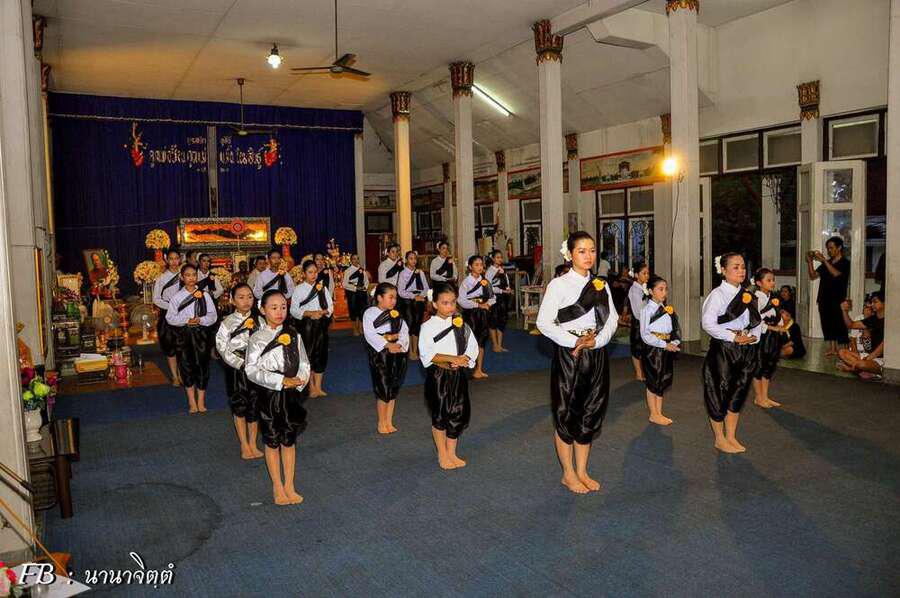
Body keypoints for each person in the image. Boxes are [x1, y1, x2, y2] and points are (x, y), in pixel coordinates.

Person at [536, 232, 618, 494]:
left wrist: (598, 341)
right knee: (566, 413)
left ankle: (582, 470)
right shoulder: (558, 285)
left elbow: (612, 320)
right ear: (570, 254)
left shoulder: (601, 285)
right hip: (570, 355)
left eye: (592, 250)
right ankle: (568, 473)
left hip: (595, 353)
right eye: (582, 251)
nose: (588, 256)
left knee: (591, 411)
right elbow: (543, 323)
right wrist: (574, 341)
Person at [245, 289, 310, 506]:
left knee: (289, 440)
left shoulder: (294, 335)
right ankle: (277, 486)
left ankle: (290, 484)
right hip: (269, 394)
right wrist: (280, 381)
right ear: (263, 310)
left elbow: (304, 362)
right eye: (274, 308)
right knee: (272, 440)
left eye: (283, 307)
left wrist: (300, 380)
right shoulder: (257, 338)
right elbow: (251, 370)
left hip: (290, 395)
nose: (279, 312)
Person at [701, 253, 762, 454]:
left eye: (743, 267)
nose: (741, 271)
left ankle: (731, 436)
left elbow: (756, 321)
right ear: (723, 270)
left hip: (745, 349)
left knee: (739, 392)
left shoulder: (747, 294)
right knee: (719, 392)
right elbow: (707, 324)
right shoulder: (717, 295)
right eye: (735, 267)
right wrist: (733, 337)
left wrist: (753, 336)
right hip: (724, 350)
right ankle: (719, 438)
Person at [418, 282, 479, 469]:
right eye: (445, 303)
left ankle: (452, 453)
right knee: (440, 415)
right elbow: (427, 354)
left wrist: (465, 359)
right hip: (439, 377)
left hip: (458, 375)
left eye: (453, 302)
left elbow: (472, 347)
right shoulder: (428, 326)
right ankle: (442, 454)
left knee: (457, 413)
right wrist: (453, 358)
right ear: (435, 304)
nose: (450, 306)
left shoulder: (460, 324)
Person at [215, 283, 263, 459]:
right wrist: (239, 363)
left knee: (255, 405)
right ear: (233, 300)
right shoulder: (227, 322)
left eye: (249, 297)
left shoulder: (260, 320)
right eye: (241, 297)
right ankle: (244, 444)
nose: (246, 301)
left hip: (255, 369)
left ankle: (253, 443)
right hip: (236, 370)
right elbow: (222, 347)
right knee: (239, 406)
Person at [166, 263, 218, 413]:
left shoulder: (204, 295)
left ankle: (201, 401)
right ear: (182, 278)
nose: (191, 278)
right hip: (184, 335)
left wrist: (201, 320)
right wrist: (186, 320)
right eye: (187, 275)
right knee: (186, 366)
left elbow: (213, 316)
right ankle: (191, 402)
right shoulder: (177, 297)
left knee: (202, 367)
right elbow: (170, 318)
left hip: (201, 335)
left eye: (194, 275)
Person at [362, 283, 409, 434]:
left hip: (397, 352)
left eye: (395, 298)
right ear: (379, 298)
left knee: (393, 386)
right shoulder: (370, 313)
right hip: (380, 355)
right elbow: (370, 334)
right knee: (383, 387)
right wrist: (387, 344)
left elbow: (404, 331)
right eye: (390, 297)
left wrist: (399, 343)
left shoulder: (395, 313)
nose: (394, 301)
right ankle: (381, 422)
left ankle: (389, 421)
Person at [639, 275, 680, 426]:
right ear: (651, 291)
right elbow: (645, 335)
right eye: (660, 289)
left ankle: (659, 412)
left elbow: (673, 329)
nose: (664, 292)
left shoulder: (666, 309)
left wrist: (674, 341)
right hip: (653, 350)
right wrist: (663, 344)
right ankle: (653, 413)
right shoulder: (646, 310)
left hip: (666, 348)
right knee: (653, 380)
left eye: (666, 289)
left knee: (662, 380)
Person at [290, 260, 334, 398]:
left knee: (321, 355)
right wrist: (310, 313)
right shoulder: (298, 289)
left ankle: (319, 387)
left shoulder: (322, 288)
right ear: (304, 273)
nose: (313, 275)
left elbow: (330, 306)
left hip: (321, 325)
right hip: (306, 327)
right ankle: (311, 387)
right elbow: (293, 310)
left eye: (315, 272)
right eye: (310, 272)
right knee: (308, 356)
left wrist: (323, 312)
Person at [806, 236, 850, 356]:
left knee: (840, 324)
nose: (829, 250)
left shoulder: (845, 262)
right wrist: (810, 262)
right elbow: (813, 275)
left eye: (831, 248)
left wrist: (824, 260)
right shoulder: (828, 262)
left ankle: (845, 350)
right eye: (828, 248)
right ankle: (832, 348)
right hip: (824, 298)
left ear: (839, 248)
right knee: (827, 323)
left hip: (838, 298)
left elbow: (836, 274)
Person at [752, 268, 788, 409]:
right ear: (759, 283)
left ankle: (765, 396)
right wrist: (773, 328)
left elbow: (777, 315)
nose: (772, 282)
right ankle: (758, 397)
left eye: (773, 280)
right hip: (761, 337)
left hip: (773, 337)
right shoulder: (756, 298)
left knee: (769, 366)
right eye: (768, 280)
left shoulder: (772, 297)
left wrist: (781, 326)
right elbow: (754, 321)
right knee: (759, 366)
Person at [457, 255, 495, 379]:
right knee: (469, 341)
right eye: (476, 265)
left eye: (481, 265)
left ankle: (479, 369)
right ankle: (467, 369)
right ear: (470, 267)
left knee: (482, 340)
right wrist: (478, 305)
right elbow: (461, 301)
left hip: (483, 314)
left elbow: (492, 297)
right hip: (471, 314)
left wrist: (488, 304)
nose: (480, 267)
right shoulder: (466, 282)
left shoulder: (485, 281)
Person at [152, 248, 183, 385]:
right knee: (171, 347)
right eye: (171, 259)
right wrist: (171, 306)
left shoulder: (185, 275)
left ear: (180, 259)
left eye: (176, 258)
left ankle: (182, 374)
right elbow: (156, 299)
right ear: (166, 260)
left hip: (183, 315)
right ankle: (174, 376)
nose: (174, 262)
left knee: (182, 347)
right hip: (168, 315)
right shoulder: (161, 278)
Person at [837, 291, 885, 377]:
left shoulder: (889, 320)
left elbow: (882, 346)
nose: (872, 305)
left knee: (862, 364)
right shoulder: (872, 319)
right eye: (871, 302)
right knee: (842, 352)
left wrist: (867, 359)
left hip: (882, 359)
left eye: (875, 302)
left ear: (884, 303)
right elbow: (851, 325)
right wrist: (844, 311)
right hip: (868, 356)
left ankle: (854, 369)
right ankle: (864, 370)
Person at [397, 250, 429, 361]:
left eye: (415, 258)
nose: (414, 261)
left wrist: (421, 295)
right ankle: (410, 351)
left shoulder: (420, 272)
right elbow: (401, 291)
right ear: (406, 260)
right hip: (407, 302)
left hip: (419, 301)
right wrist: (413, 297)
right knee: (409, 325)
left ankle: (416, 350)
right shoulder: (403, 273)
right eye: (411, 258)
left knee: (417, 325)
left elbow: (426, 288)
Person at [628, 262, 651, 381]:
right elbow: (638, 312)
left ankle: (642, 372)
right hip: (639, 323)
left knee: (643, 349)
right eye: (644, 273)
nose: (647, 276)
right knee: (637, 348)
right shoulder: (634, 290)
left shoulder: (644, 288)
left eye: (648, 273)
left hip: (645, 321)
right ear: (637, 275)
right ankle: (638, 372)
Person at [486, 250, 511, 353]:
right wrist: (502, 291)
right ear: (493, 258)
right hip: (493, 299)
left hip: (503, 299)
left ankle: (499, 345)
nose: (500, 259)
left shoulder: (502, 269)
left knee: (502, 321)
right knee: (493, 321)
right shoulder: (490, 271)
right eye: (497, 257)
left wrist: (508, 288)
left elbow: (506, 282)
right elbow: (488, 287)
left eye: (501, 257)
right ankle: (495, 345)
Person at [342, 254, 370, 336]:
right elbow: (344, 284)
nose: (356, 260)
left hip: (362, 293)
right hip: (352, 293)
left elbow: (366, 281)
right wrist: (355, 288)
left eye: (357, 259)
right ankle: (355, 329)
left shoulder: (362, 270)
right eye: (354, 259)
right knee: (354, 312)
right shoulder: (348, 271)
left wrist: (365, 287)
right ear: (351, 260)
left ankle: (361, 328)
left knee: (362, 311)